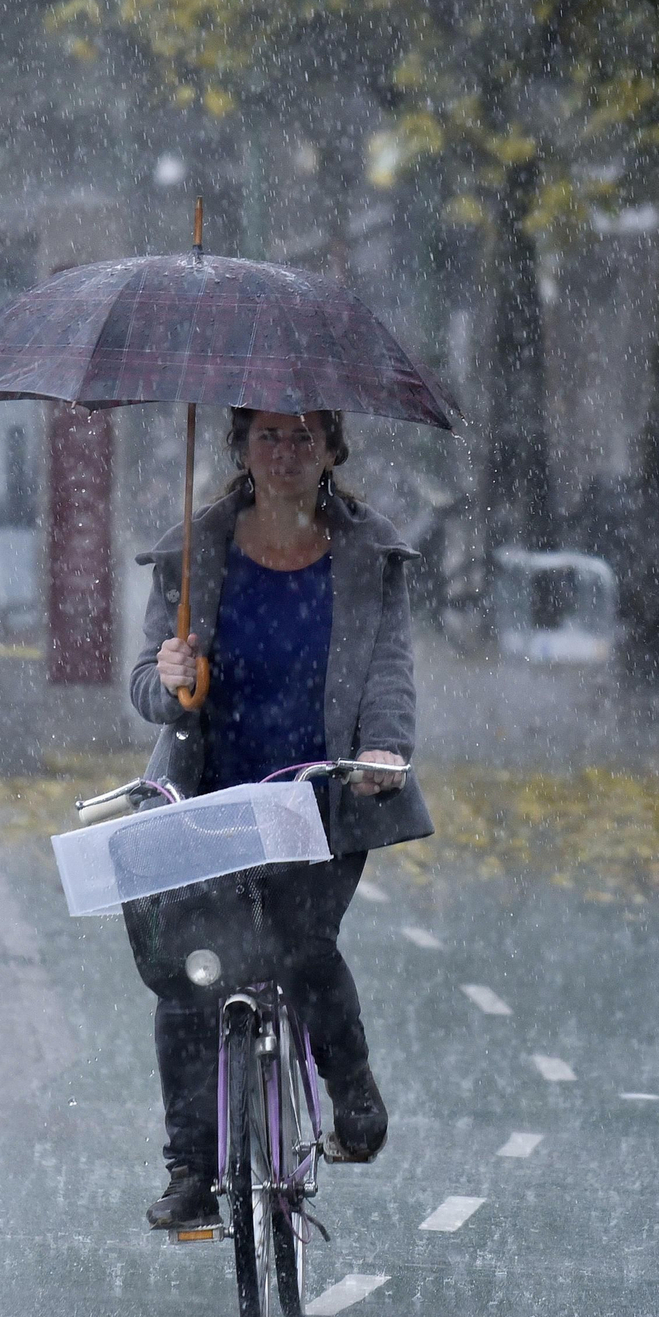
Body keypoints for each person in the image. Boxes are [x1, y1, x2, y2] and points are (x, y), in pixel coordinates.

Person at [126, 407, 434, 1231]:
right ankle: (191, 1169)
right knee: (189, 973)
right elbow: (148, 689)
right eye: (269, 435)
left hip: (321, 796)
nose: (286, 451)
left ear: (333, 446)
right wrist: (170, 676)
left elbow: (388, 674)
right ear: (240, 447)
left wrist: (383, 754)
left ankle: (351, 1087)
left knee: (303, 944)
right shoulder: (192, 553)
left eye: (304, 436)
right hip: (211, 797)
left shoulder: (371, 555)